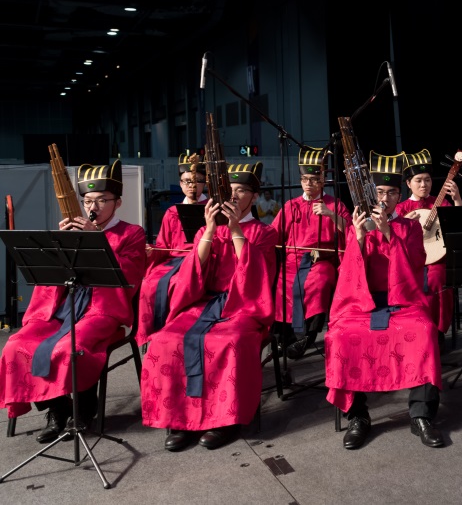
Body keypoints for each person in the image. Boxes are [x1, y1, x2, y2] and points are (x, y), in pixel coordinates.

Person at [0, 161, 145, 443]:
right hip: (63, 308)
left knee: (71, 347)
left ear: (118, 203)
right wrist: (60, 245)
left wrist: (95, 239)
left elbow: (129, 277)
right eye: (89, 200)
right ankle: (57, 408)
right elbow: (50, 279)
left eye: (103, 200)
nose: (95, 206)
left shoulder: (132, 233)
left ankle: (84, 409)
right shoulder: (73, 229)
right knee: (18, 344)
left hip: (103, 310)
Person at [141, 162, 277, 451]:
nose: (235, 196)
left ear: (254, 197)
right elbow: (194, 270)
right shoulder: (208, 227)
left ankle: (225, 420)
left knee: (229, 341)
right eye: (231, 191)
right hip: (205, 302)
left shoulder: (264, 233)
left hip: (242, 306)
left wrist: (236, 229)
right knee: (166, 339)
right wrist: (210, 230)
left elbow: (255, 279)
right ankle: (178, 417)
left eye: (242, 191)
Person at [325, 151, 444, 450]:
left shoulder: (410, 226)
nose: (386, 198)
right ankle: (358, 416)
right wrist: (360, 237)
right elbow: (350, 276)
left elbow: (414, 267)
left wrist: (388, 233)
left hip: (402, 301)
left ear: (399, 195)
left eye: (392, 193)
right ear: (370, 194)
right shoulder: (358, 226)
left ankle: (421, 415)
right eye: (380, 192)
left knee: (425, 332)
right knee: (340, 335)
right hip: (362, 303)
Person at [270, 146, 350, 359]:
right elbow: (274, 236)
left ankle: (307, 336)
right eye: (305, 179)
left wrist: (330, 215)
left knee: (321, 281)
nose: (308, 184)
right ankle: (283, 337)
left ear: (322, 179)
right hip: (292, 260)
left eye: (313, 179)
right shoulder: (290, 205)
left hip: (320, 260)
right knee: (281, 283)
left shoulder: (335, 204)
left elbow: (351, 232)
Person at [137, 154, 208, 347]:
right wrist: (153, 251)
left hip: (200, 260)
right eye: (187, 182)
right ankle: (151, 333)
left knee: (180, 282)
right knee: (149, 283)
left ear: (205, 183)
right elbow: (163, 245)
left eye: (197, 181)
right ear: (180, 183)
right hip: (174, 260)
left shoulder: (210, 209)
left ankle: (173, 328)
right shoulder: (172, 212)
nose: (192, 186)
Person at [394, 149, 461, 335]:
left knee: (437, 280)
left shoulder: (440, 203)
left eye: (428, 180)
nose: (424, 185)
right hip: (409, 261)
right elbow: (392, 236)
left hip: (436, 261)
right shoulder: (401, 208)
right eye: (418, 180)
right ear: (408, 183)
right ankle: (414, 329)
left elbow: (457, 225)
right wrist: (407, 225)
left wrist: (456, 199)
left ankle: (437, 331)